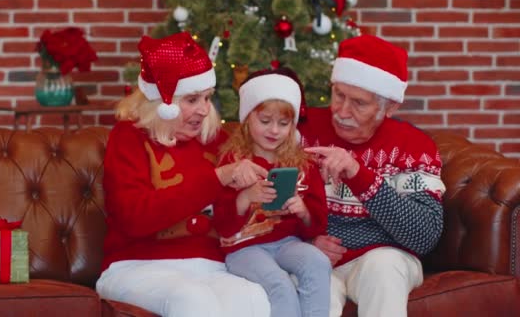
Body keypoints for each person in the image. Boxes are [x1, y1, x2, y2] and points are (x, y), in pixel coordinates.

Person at [96, 32, 271, 317]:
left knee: (252, 298)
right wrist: (216, 179)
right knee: (192, 299)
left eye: (207, 98)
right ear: (161, 103)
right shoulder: (128, 137)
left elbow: (230, 221)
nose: (204, 110)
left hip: (210, 266)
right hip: (135, 265)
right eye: (192, 99)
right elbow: (134, 217)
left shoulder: (216, 140)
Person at [300, 34, 446, 317]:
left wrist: (359, 175)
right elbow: (265, 204)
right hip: (313, 256)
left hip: (381, 258)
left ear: (389, 107)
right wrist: (302, 243)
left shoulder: (415, 147)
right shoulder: (300, 132)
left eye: (359, 103)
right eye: (338, 95)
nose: (342, 111)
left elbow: (425, 235)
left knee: (383, 267)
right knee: (312, 280)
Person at [213, 68, 331, 317]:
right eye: (265, 121)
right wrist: (246, 197)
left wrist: (303, 211)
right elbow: (222, 226)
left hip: (287, 242)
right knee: (280, 285)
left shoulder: (302, 164)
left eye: (283, 123)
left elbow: (317, 226)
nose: (274, 130)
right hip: (242, 248)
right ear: (247, 120)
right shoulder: (233, 162)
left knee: (317, 262)